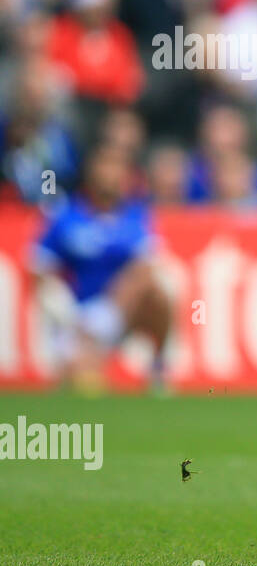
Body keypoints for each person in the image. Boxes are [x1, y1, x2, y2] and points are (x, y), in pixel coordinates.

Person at [29, 142, 172, 393]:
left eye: (118, 166)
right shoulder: (66, 215)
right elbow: (39, 265)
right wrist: (58, 301)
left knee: (157, 292)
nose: (111, 173)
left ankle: (157, 370)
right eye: (105, 165)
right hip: (77, 316)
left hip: (122, 313)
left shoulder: (136, 215)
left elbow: (148, 265)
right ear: (91, 171)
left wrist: (111, 307)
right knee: (81, 388)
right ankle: (79, 357)